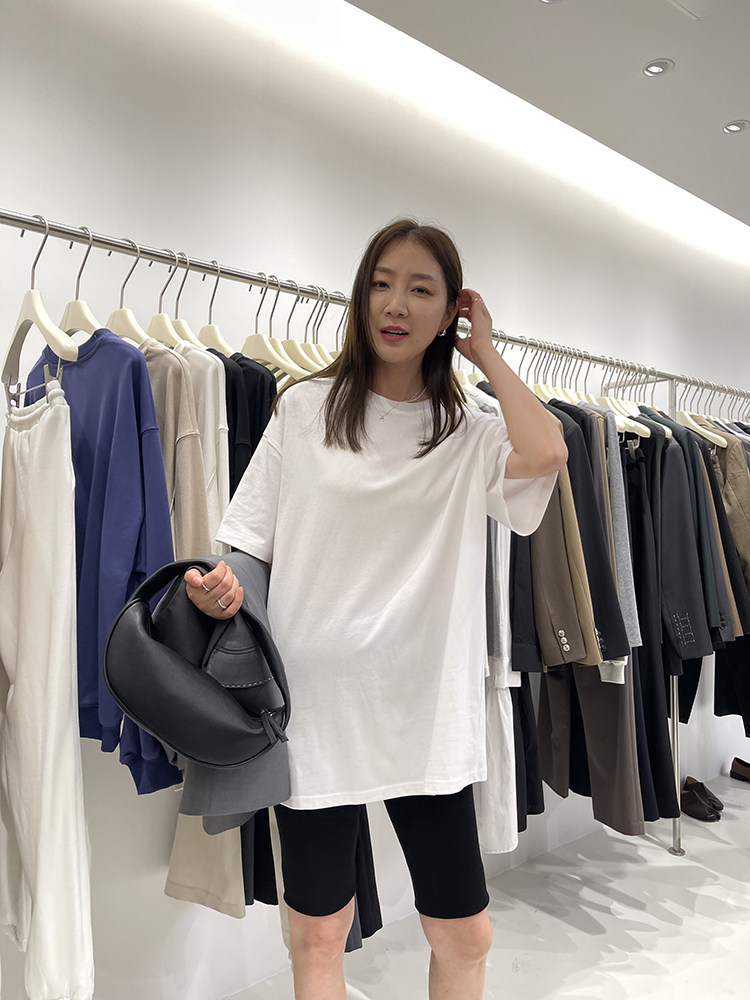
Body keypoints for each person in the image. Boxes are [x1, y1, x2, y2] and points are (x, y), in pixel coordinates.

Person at [184, 219, 567, 1000]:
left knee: (465, 934)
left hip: (424, 709)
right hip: (317, 710)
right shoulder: (304, 408)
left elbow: (549, 452)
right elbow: (246, 545)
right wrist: (216, 590)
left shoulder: (470, 429)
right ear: (361, 298)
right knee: (318, 933)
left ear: (451, 312)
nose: (396, 304)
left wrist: (487, 354)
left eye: (421, 290)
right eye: (381, 284)